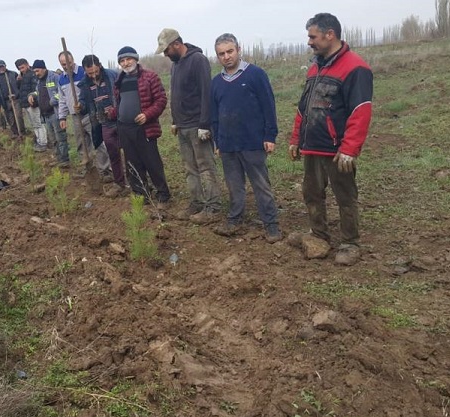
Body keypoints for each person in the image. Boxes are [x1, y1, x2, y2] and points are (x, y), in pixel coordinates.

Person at [289, 13, 373, 265]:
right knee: (311, 193)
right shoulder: (315, 67)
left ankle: (350, 242)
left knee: (345, 196)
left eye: (313, 37)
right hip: (312, 146)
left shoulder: (355, 68)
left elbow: (361, 111)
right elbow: (303, 108)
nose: (309, 42)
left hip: (337, 151)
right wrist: (296, 139)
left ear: (330, 34)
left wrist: (350, 148)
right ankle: (318, 234)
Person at [210, 33, 283, 244]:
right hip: (228, 144)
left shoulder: (255, 75)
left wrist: (270, 135)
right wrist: (218, 141)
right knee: (234, 185)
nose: (226, 57)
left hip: (252, 142)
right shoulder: (216, 82)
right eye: (221, 54)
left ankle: (271, 224)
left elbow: (269, 106)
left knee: (261, 184)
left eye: (229, 51)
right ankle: (235, 219)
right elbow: (214, 115)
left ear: (238, 49)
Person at [157, 28, 223, 224]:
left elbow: (206, 92)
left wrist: (205, 123)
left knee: (205, 167)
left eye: (166, 50)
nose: (165, 54)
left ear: (176, 44)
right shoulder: (176, 65)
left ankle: (213, 207)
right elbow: (177, 94)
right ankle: (196, 202)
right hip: (183, 126)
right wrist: (175, 121)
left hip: (197, 125)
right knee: (189, 168)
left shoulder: (198, 61)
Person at [109, 46, 171, 209]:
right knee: (132, 163)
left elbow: (161, 100)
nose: (125, 63)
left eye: (128, 59)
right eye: (122, 61)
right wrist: (113, 113)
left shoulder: (150, 77)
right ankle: (140, 194)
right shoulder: (119, 81)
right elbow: (121, 103)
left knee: (152, 161)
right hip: (124, 128)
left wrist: (147, 114)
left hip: (144, 128)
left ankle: (163, 195)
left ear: (136, 59)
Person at [77, 54, 128, 197]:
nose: (93, 75)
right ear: (85, 71)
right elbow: (84, 104)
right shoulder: (84, 84)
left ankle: (136, 180)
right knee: (113, 154)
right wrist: (80, 106)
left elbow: (124, 95)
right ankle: (120, 184)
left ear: (99, 65)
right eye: (89, 73)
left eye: (95, 72)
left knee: (130, 152)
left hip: (121, 120)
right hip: (104, 123)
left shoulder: (114, 76)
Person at [57, 51, 112, 181]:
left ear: (73, 60)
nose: (66, 66)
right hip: (75, 116)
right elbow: (62, 100)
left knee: (98, 142)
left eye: (68, 63)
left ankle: (105, 170)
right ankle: (89, 169)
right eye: (63, 64)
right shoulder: (61, 79)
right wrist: (62, 117)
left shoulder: (84, 72)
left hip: (90, 114)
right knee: (81, 144)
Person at [29, 59, 69, 166]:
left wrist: (53, 101)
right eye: (35, 72)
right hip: (45, 115)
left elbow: (61, 93)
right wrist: (32, 95)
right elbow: (38, 92)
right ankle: (58, 158)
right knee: (53, 139)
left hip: (55, 113)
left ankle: (64, 160)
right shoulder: (38, 81)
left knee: (60, 137)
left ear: (43, 68)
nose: (36, 73)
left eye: (37, 71)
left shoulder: (55, 77)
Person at [15, 58, 47, 151]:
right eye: (19, 68)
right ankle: (39, 141)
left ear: (27, 64)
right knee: (34, 124)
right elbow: (20, 89)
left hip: (33, 104)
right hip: (26, 104)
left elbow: (35, 89)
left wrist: (34, 101)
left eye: (23, 67)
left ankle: (43, 143)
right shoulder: (22, 76)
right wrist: (18, 80)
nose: (21, 70)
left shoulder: (33, 74)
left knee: (38, 123)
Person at [0, 60, 23, 136]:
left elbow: (20, 86)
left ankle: (22, 132)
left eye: (3, 66)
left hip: (15, 99)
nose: (2, 68)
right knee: (10, 119)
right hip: (5, 101)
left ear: (5, 66)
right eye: (0, 67)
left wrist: (16, 94)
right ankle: (15, 133)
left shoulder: (13, 74)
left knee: (18, 117)